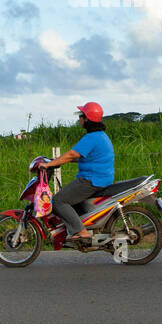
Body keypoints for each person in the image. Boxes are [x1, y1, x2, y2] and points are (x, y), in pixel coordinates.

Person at [37, 101, 114, 244]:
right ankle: (84, 227)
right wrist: (57, 161)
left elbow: (72, 155)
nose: (79, 119)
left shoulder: (91, 138)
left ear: (87, 119)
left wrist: (49, 164)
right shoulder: (101, 136)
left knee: (59, 201)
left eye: (81, 116)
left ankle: (81, 232)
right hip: (101, 178)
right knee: (70, 201)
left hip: (91, 180)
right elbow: (83, 156)